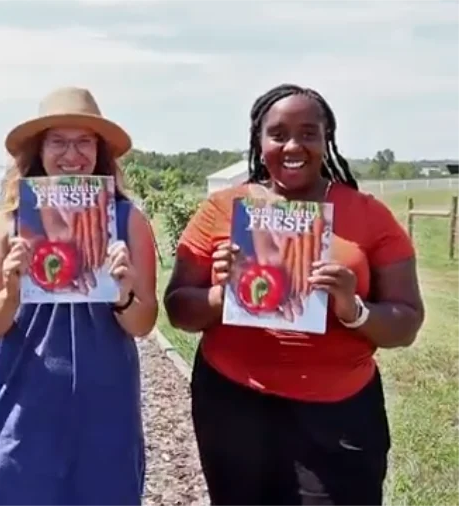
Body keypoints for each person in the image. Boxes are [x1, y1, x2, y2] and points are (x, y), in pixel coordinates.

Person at [164, 83, 425, 505]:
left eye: (308, 133)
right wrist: (221, 295)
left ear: (326, 140)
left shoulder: (368, 215)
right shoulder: (222, 210)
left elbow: (406, 323)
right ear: (258, 140)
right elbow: (178, 308)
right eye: (278, 133)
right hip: (233, 404)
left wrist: (352, 308)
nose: (293, 145)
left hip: (339, 414)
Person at [0, 86, 159, 506]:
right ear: (38, 150)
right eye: (58, 141)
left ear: (99, 150)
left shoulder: (128, 220)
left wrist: (123, 293)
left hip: (107, 397)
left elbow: (143, 325)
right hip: (25, 395)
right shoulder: (8, 222)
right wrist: (12, 293)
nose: (72, 155)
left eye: (84, 141)